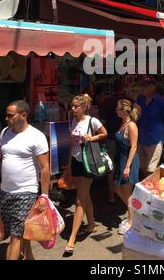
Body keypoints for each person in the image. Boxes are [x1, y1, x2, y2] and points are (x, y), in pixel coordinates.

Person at [0, 100, 50, 261]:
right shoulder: (5, 132)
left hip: (26, 192)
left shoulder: (36, 136)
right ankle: (29, 256)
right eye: (7, 115)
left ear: (23, 115)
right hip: (5, 191)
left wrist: (44, 195)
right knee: (16, 230)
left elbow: (45, 167)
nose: (6, 118)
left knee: (15, 237)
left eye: (10, 115)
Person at [64, 94, 107, 255]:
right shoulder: (72, 121)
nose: (72, 108)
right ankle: (91, 225)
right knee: (85, 194)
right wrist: (68, 164)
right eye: (72, 106)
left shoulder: (92, 121)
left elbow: (105, 133)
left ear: (84, 107)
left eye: (76, 106)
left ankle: (72, 238)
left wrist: (92, 137)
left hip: (88, 161)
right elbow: (71, 143)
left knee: (79, 199)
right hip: (76, 160)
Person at [102, 79, 133, 204]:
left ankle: (111, 195)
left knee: (111, 167)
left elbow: (103, 120)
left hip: (110, 137)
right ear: (123, 86)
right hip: (125, 139)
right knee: (124, 165)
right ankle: (126, 195)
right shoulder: (129, 100)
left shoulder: (108, 101)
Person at [137, 77, 164, 179]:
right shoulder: (140, 98)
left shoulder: (160, 101)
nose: (142, 88)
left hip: (155, 139)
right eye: (142, 85)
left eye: (145, 86)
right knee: (143, 167)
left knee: (151, 169)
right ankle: (147, 186)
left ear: (152, 87)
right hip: (141, 138)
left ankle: (150, 188)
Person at [114, 100, 139, 235]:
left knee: (127, 191)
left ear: (124, 110)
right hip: (120, 159)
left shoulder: (132, 126)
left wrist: (128, 166)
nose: (116, 111)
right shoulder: (123, 123)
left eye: (118, 109)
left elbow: (134, 146)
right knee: (117, 187)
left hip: (128, 161)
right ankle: (134, 211)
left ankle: (131, 220)